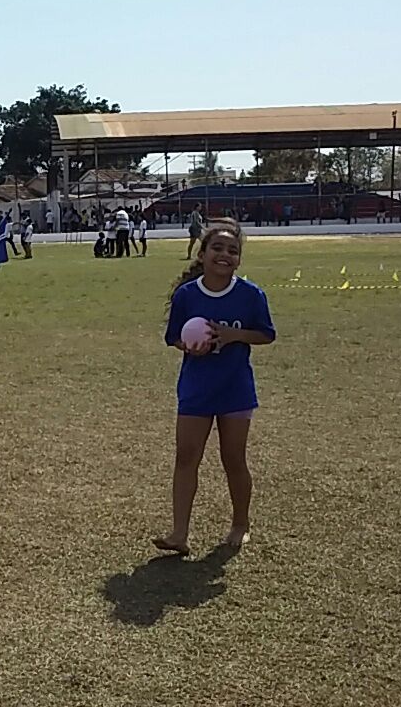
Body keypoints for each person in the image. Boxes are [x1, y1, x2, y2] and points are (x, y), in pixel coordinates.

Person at [154, 219, 276, 556]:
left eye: (233, 250)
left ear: (239, 259)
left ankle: (241, 524)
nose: (225, 255)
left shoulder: (251, 295)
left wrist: (234, 334)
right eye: (217, 248)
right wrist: (189, 346)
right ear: (203, 253)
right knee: (186, 458)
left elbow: (266, 334)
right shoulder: (187, 295)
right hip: (197, 389)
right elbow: (174, 337)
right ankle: (179, 534)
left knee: (233, 459)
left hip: (235, 388)